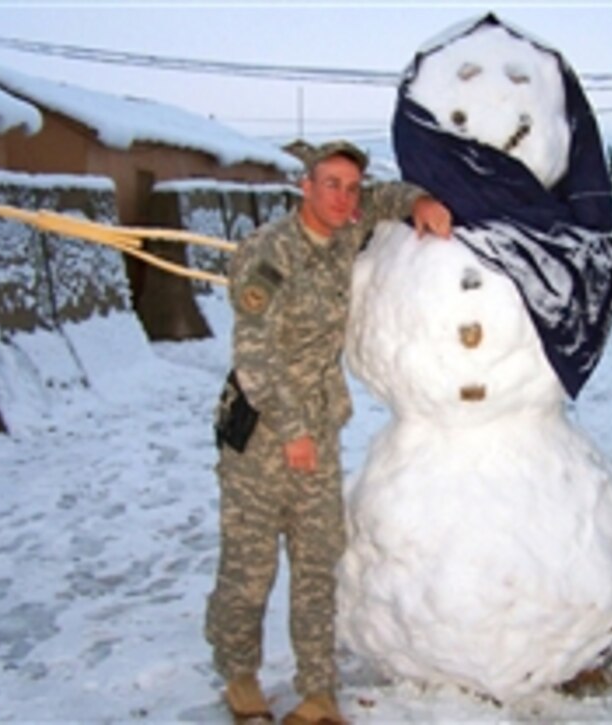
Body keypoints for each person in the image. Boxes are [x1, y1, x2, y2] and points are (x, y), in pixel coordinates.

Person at [206, 140, 452, 725]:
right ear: (305, 188)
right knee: (251, 568)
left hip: (318, 430)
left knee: (319, 563)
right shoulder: (267, 254)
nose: (344, 197)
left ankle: (318, 691)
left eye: (351, 186)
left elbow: (385, 199)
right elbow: (254, 354)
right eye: (331, 185)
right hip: (262, 433)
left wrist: (421, 200)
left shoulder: (345, 229)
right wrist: (291, 431)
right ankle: (238, 673)